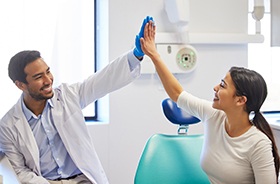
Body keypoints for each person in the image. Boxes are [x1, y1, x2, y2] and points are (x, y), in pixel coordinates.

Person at [0, 16, 153, 184]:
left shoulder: (68, 95)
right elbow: (20, 171)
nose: (48, 80)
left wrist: (135, 55)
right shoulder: (8, 125)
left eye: (48, 71)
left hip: (83, 180)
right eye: (38, 77)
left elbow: (103, 80)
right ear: (21, 85)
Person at [140, 20, 280, 183]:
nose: (215, 88)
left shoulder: (258, 144)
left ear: (240, 100)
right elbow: (177, 93)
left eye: (222, 85)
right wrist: (154, 55)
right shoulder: (214, 115)